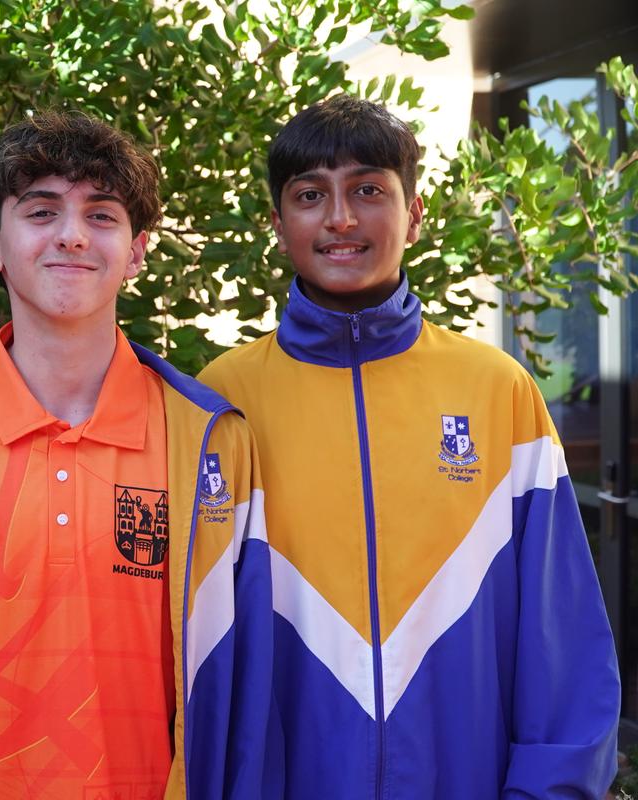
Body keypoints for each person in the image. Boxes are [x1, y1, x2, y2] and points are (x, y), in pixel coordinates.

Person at [0, 111, 278, 798]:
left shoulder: (211, 441)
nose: (72, 234)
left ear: (137, 252)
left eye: (101, 215)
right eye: (41, 212)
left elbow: (249, 692)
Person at [197, 95, 620, 799]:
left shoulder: (497, 390)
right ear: (278, 224)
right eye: (310, 195)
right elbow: (200, 641)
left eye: (368, 190)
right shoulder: (222, 399)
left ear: (414, 214)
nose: (340, 218)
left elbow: (563, 628)